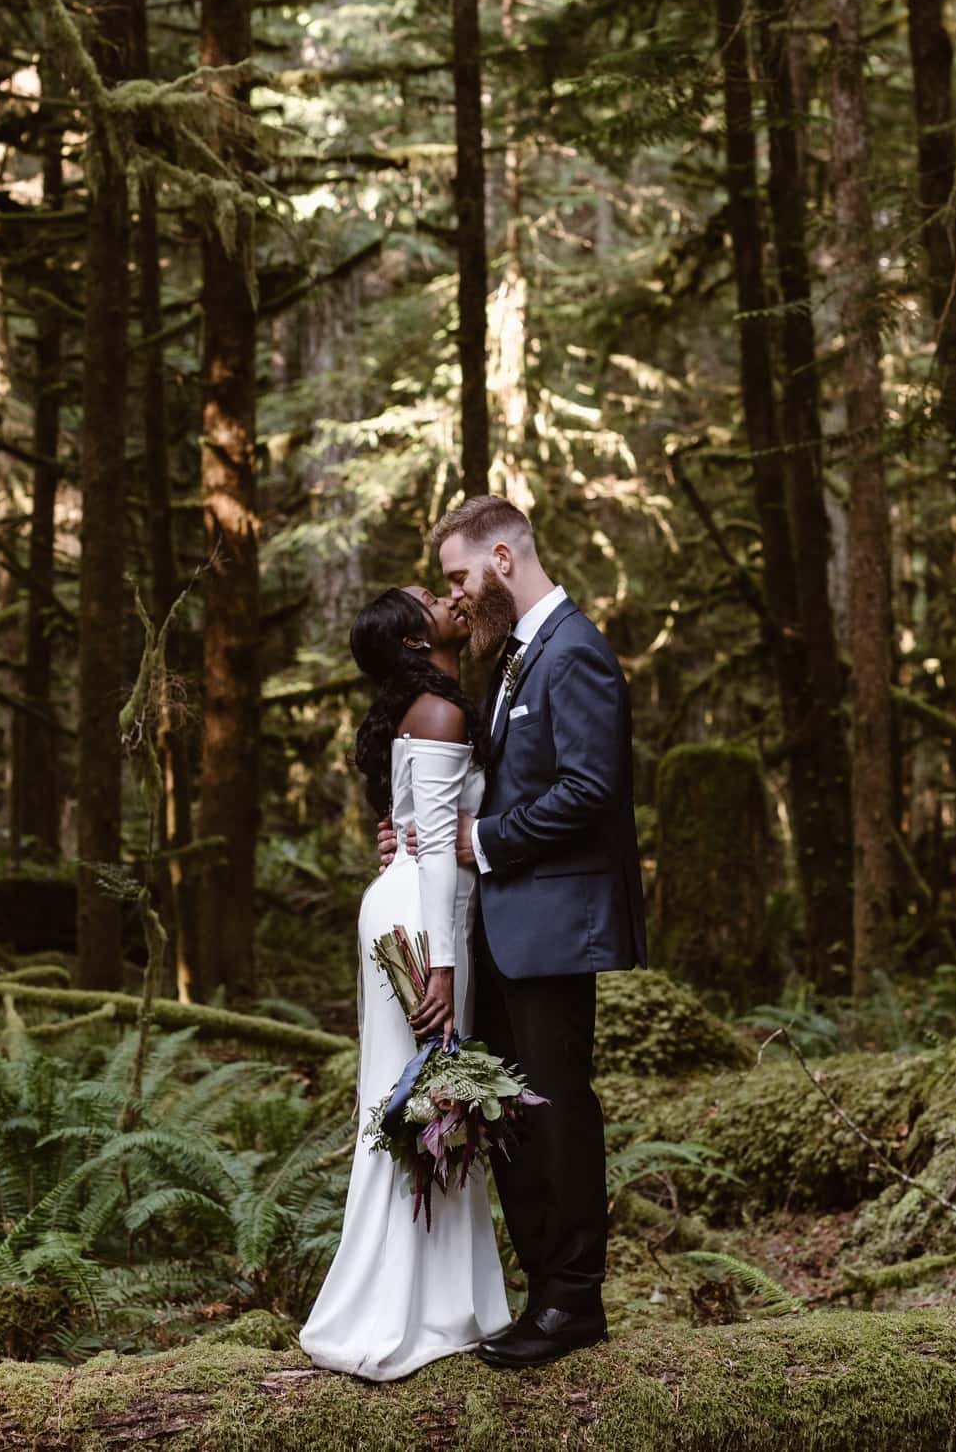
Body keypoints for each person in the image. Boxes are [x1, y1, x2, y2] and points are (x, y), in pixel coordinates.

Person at [379, 494, 647, 1370]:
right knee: (517, 1118)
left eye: (460, 576)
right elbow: (494, 782)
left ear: (502, 559)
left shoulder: (575, 653)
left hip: (555, 928)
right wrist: (416, 831)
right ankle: (541, 1294)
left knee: (559, 1111)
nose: (455, 598)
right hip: (508, 924)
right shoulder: (515, 659)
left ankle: (575, 1301)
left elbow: (591, 790)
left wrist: (477, 840)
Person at [298, 583, 511, 1379]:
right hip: (422, 924)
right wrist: (445, 971)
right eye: (430, 598)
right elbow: (429, 862)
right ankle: (401, 1309)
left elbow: (414, 830)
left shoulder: (430, 708)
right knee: (420, 1102)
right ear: (416, 642)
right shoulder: (442, 712)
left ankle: (437, 1301)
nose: (448, 596)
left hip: (410, 909)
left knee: (420, 1103)